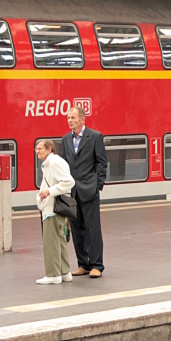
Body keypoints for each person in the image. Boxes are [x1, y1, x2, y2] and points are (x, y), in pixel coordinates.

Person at [62, 106, 108, 278]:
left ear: (82, 119)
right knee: (76, 228)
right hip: (73, 191)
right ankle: (83, 264)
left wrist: (97, 184)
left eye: (73, 117)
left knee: (92, 228)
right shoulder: (66, 139)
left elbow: (101, 162)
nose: (70, 120)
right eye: (68, 117)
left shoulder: (95, 136)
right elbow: (65, 163)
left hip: (89, 189)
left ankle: (97, 265)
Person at [34, 139, 76, 285]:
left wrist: (49, 192)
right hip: (54, 206)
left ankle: (53, 274)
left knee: (50, 241)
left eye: (40, 148)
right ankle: (64, 272)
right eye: (36, 148)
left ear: (49, 149)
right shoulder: (51, 163)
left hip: (53, 207)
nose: (37, 151)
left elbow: (68, 182)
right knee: (59, 240)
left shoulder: (54, 163)